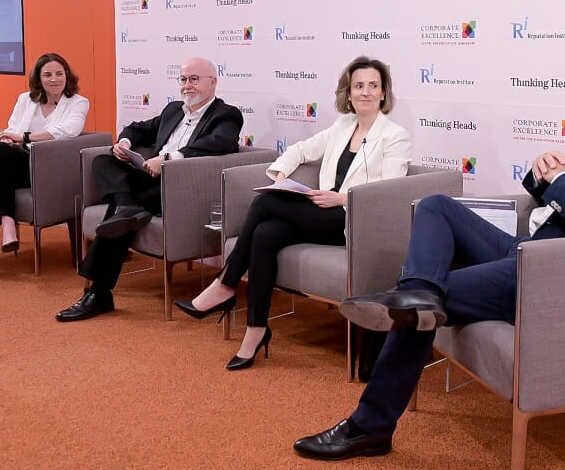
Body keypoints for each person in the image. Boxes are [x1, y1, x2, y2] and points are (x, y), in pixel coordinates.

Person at [293, 43, 565, 460]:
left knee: (433, 299)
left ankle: (369, 425)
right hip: (530, 251)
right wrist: (544, 180)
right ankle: (416, 292)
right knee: (436, 206)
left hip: (552, 276)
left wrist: (564, 180)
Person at [174, 56, 412, 370]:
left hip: (355, 221)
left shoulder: (395, 136)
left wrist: (340, 199)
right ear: (349, 92)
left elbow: (387, 192)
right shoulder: (343, 126)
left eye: (372, 86)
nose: (365, 92)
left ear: (383, 93)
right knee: (265, 233)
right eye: (358, 86)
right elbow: (300, 150)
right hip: (322, 213)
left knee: (264, 204)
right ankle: (256, 330)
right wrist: (280, 176)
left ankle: (226, 283)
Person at [55, 57, 243, 322]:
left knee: (118, 214)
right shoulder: (174, 110)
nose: (187, 86)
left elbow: (218, 143)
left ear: (213, 82)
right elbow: (139, 128)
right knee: (103, 160)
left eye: (194, 79)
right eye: (183, 80)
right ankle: (126, 207)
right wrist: (125, 142)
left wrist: (166, 159)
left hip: (178, 188)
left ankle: (99, 292)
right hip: (147, 179)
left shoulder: (226, 114)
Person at [0, 53, 89, 282]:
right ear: (39, 79)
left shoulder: (78, 102)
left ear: (67, 76)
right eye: (48, 75)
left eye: (59, 74)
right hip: (16, 164)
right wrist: (9, 138)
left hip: (46, 169)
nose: (54, 79)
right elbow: (12, 127)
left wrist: (24, 137)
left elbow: (68, 131)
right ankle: (0, 230)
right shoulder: (26, 99)